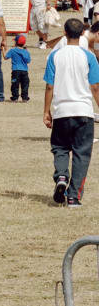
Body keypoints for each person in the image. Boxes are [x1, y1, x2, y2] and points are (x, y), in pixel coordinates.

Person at [45, 15, 99, 206]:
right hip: (83, 111)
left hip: (62, 111)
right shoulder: (89, 56)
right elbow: (94, 87)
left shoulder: (55, 56)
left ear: (65, 34)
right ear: (82, 33)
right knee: (81, 154)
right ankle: (74, 196)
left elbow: (49, 86)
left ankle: (61, 176)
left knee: (59, 148)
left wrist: (46, 111)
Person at [9, 33, 32, 101]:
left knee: (14, 84)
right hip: (24, 71)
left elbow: (5, 57)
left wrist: (3, 50)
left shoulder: (12, 50)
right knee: (25, 84)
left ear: (16, 42)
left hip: (15, 70)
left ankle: (15, 97)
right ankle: (24, 98)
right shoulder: (26, 51)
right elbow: (28, 61)